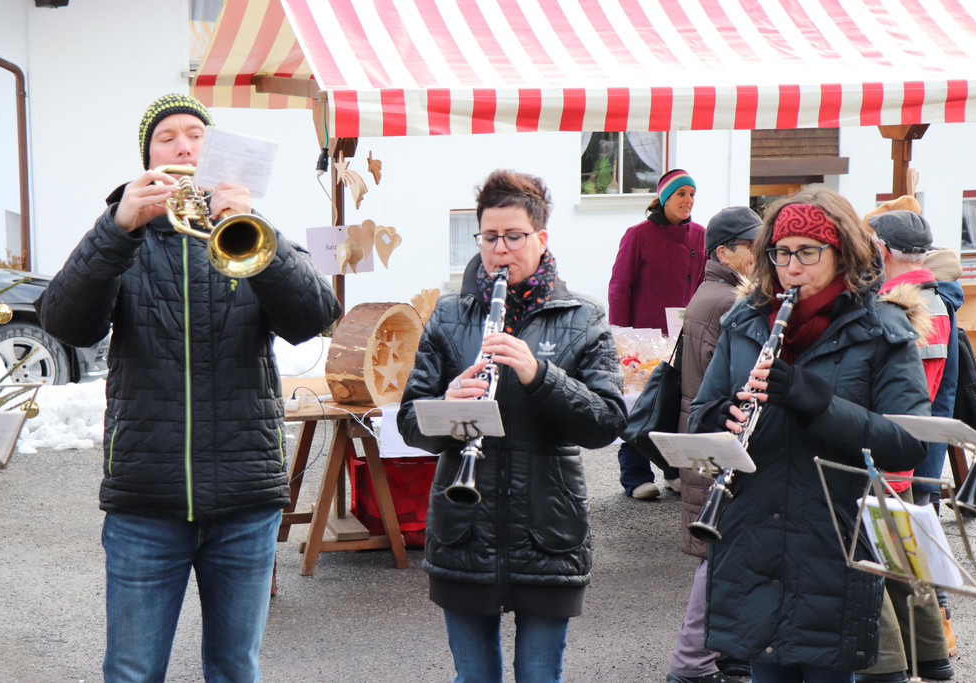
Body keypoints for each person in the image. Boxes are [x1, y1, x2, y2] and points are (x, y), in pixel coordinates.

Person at [34, 93, 342, 681]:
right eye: (167, 137)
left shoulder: (248, 230)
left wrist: (256, 229)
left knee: (235, 669)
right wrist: (115, 229)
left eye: (197, 136)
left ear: (214, 151)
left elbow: (314, 317)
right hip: (146, 503)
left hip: (245, 501)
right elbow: (66, 324)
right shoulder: (122, 239)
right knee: (132, 670)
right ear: (147, 159)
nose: (183, 146)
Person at [690, 187, 931, 683]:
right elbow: (699, 414)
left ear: (841, 252)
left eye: (807, 252)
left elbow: (907, 443)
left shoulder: (882, 329)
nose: (790, 267)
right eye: (780, 253)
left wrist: (817, 402)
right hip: (753, 541)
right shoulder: (746, 321)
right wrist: (720, 418)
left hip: (833, 541)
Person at [397, 169, 627, 683]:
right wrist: (447, 403)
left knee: (540, 676)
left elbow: (607, 422)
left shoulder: (584, 316)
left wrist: (540, 375)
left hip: (548, 533)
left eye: (514, 237)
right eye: (489, 237)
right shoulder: (448, 315)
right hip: (464, 532)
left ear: (542, 238)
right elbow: (412, 424)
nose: (499, 250)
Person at [855, 210, 956, 683]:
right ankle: (931, 658)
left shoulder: (900, 307)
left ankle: (889, 668)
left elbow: (893, 389)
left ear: (882, 250)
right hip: (905, 449)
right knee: (902, 557)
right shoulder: (934, 300)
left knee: (872, 560)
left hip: (884, 447)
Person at [667, 207, 761, 683]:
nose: (762, 254)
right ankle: (694, 662)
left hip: (703, 433)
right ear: (725, 253)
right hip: (719, 439)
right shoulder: (730, 301)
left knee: (723, 551)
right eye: (753, 246)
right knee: (721, 553)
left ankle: (723, 654)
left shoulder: (708, 292)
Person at [609, 169, 706, 500]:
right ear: (664, 198)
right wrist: (621, 336)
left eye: (692, 194)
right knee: (641, 404)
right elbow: (619, 286)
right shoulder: (638, 235)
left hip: (684, 336)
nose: (688, 200)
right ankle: (635, 476)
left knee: (677, 402)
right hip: (643, 337)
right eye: (681, 194)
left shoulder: (701, 235)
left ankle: (673, 471)